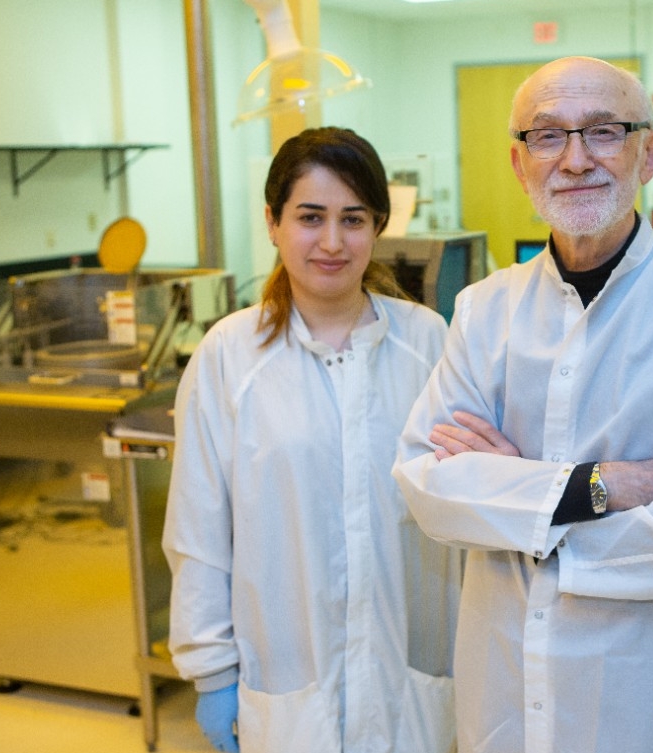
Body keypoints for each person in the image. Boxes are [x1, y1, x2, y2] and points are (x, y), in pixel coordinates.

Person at [392, 57, 653, 753]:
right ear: (519, 162)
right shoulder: (483, 311)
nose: (575, 160)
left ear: (647, 152)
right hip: (510, 686)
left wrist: (513, 504)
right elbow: (428, 486)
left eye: (603, 131)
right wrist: (602, 485)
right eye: (547, 136)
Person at [163, 127, 462, 753]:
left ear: (379, 224)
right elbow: (198, 531)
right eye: (310, 217)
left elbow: (464, 506)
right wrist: (212, 673)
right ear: (273, 222)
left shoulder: (428, 342)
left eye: (352, 218)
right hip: (288, 691)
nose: (332, 242)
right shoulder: (228, 358)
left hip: (411, 679)